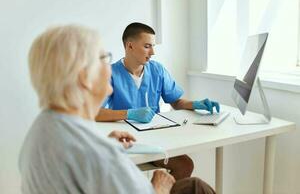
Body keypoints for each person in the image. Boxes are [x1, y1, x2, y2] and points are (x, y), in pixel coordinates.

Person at [19, 24, 215, 194]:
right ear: (84, 77)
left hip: (144, 143)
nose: (108, 65)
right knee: (197, 188)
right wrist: (160, 187)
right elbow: (94, 158)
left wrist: (107, 145)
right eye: (103, 58)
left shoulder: (42, 128)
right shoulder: (98, 153)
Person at [96, 22, 220, 180]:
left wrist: (195, 104)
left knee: (185, 165)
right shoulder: (110, 73)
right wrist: (129, 114)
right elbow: (95, 113)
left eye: (153, 46)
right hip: (127, 142)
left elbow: (176, 101)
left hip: (156, 140)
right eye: (147, 46)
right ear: (130, 46)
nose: (153, 52)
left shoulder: (157, 70)